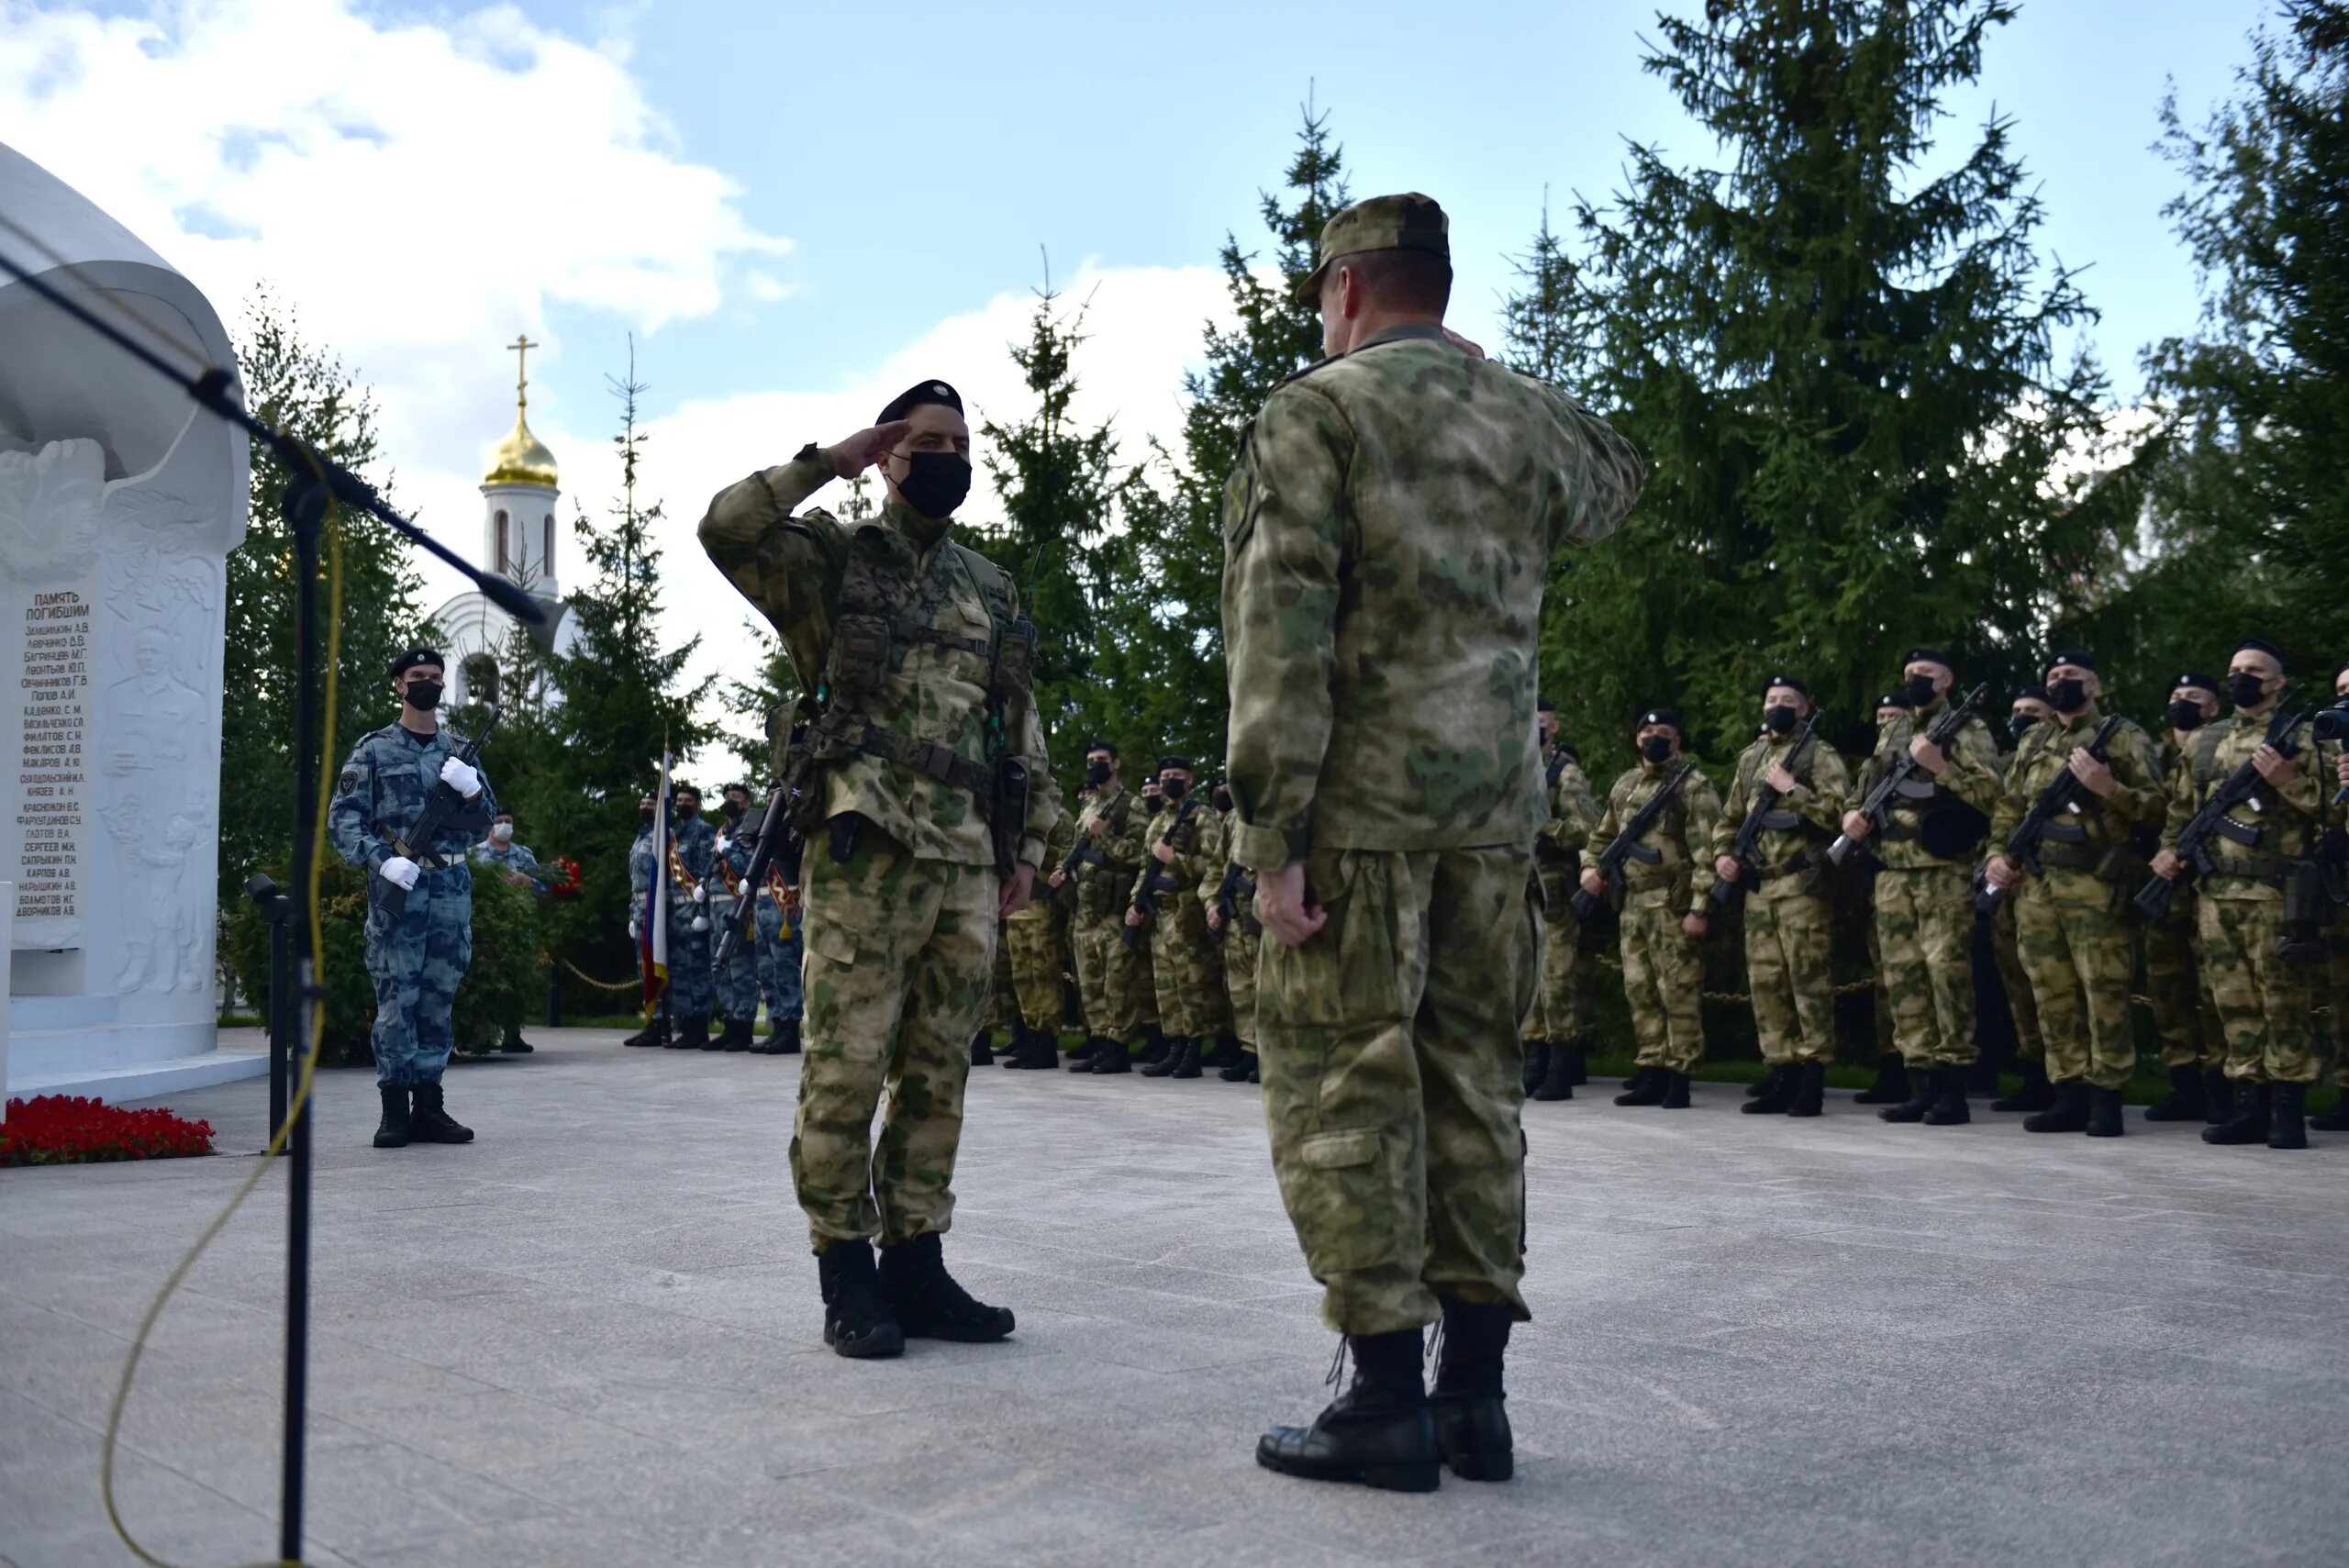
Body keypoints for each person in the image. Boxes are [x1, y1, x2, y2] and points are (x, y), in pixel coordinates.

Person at [1222, 193, 1643, 1492]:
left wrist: (1270, 833)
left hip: (1356, 819)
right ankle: (1476, 1402)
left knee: (1346, 1083)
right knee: (1475, 1089)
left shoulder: (1316, 410)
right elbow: (1620, 477)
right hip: (1492, 825)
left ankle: (1384, 1406)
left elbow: (1280, 632)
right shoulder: (1517, 421)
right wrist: (1499, 375)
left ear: (1347, 289)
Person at [699, 375, 1059, 1359]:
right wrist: (830, 461)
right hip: (868, 842)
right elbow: (725, 528)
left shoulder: (989, 584)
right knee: (845, 1067)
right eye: (922, 440)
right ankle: (845, 1271)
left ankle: (917, 1260)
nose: (943, 455)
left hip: (966, 860)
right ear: (892, 454)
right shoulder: (831, 560)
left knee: (938, 1072)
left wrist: (1024, 844)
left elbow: (1018, 724)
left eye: (957, 440)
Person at [2151, 639, 2324, 1150]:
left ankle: (2287, 1111)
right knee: (2233, 1003)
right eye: (2235, 669)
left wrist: (2289, 782)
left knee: (2283, 1002)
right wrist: (2168, 849)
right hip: (2216, 894)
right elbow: (2182, 810)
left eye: (2254, 670)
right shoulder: (2206, 740)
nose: (2241, 677)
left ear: (2278, 683)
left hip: (2278, 892)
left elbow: (2334, 815)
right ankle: (2250, 1105)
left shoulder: (2305, 737)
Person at [1985, 651, 2165, 1138]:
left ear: (2095, 683)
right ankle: (2069, 1092)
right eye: (2053, 677)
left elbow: (2159, 809)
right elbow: (2009, 805)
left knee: (2102, 990)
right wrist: (1997, 855)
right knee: (2051, 992)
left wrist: (2108, 789)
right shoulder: (2034, 739)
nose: (2060, 683)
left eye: (2071, 676)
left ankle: (2106, 1096)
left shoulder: (2124, 736)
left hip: (2095, 884)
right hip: (2038, 886)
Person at [328, 647, 493, 1149]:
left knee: (439, 997)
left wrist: (471, 792)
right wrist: (381, 859)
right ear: (398, 684)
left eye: (435, 677)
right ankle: (394, 1108)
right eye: (417, 676)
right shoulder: (374, 750)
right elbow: (344, 820)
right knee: (397, 998)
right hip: (398, 886)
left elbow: (486, 822)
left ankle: (431, 1105)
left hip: (449, 888)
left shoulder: (460, 750)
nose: (428, 683)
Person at [1841, 648, 2000, 1126]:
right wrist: (1851, 812)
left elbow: (1994, 795)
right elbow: (1865, 784)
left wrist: (1941, 767)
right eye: (1909, 674)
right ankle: (1919, 1081)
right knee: (1904, 979)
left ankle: (1953, 1086)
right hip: (1892, 872)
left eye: (1925, 674)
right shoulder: (1894, 730)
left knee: (1945, 974)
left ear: (1947, 680)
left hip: (1940, 871)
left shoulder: (1968, 730)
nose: (1915, 681)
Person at [1709, 675, 1850, 1117]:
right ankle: (1781, 1070)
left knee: (1807, 983)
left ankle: (1811, 1077)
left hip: (1800, 887)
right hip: (1759, 888)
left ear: (1804, 710)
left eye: (1788, 701)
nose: (1778, 707)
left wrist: (1793, 788)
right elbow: (1728, 819)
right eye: (1772, 700)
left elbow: (1839, 813)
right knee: (1766, 984)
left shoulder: (1818, 754)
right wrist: (1721, 857)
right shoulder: (1751, 758)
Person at [1581, 709, 1722, 1108]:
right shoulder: (1626, 785)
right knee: (1640, 990)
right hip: (1632, 904)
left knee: (1677, 991)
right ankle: (1651, 1068)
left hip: (1671, 904)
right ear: (1636, 738)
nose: (1653, 738)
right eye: (1647, 731)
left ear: (1677, 741)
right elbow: (1601, 836)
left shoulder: (1692, 787)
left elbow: (1706, 853)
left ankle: (1680, 1075)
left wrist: (1700, 908)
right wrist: (1590, 869)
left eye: (1663, 733)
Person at [2143, 673, 2227, 1123]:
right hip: (2160, 888)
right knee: (2167, 988)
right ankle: (2184, 1084)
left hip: (2210, 888)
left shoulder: (2224, 749)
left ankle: (2221, 1085)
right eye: (2175, 696)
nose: (2181, 703)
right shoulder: (2153, 756)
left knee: (2215, 990)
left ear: (2213, 708)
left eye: (2193, 698)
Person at [1128, 757, 1230, 1079]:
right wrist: (1135, 902)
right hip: (1159, 913)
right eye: (1165, 776)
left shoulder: (1201, 817)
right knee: (1166, 986)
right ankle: (1175, 1045)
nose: (1170, 781)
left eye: (1177, 776)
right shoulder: (1158, 821)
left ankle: (1193, 1050)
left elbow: (1217, 864)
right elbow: (1146, 867)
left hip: (1186, 914)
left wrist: (1176, 859)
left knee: (1191, 984)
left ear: (1190, 780)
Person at [1055, 741, 1153, 1073]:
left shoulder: (1131, 806)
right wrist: (1061, 867)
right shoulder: (1088, 806)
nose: (1095, 766)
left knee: (1117, 980)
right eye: (1091, 761)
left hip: (1113, 907)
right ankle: (1099, 1041)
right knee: (1090, 980)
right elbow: (1074, 848)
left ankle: (1118, 1046)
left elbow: (1140, 854)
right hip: (1086, 906)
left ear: (1116, 764)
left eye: (1101, 760)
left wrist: (1106, 835)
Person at [1524, 712, 1601, 1102]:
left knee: (1556, 977)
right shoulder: (1511, 767)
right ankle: (1533, 1058)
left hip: (1552, 888)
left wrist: (1545, 826)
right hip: (1517, 887)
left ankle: (1560, 1063)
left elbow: (1588, 828)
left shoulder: (1565, 774)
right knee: (1528, 978)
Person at [1987, 689, 2054, 1111]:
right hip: (2007, 886)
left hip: (2045, 886)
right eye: (2016, 711)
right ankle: (2033, 1074)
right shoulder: (2009, 763)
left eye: (2032, 711)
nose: (2022, 718)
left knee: (2051, 985)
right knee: (2017, 985)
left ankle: (2062, 1078)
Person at [1001, 806, 1076, 1069]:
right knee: (1023, 977)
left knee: (1043, 975)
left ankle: (1047, 1041)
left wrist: (1039, 856)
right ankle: (1031, 1036)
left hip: (1043, 903)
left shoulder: (1057, 815)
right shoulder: (1014, 811)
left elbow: (1068, 853)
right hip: (1018, 907)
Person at [1199, 781, 1263, 1083]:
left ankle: (1269, 1055)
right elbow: (1216, 866)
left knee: (1269, 992)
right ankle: (1250, 1052)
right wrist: (1212, 902)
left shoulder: (1281, 811)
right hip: (1236, 917)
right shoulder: (1235, 818)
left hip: (1266, 920)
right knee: (1241, 992)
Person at [472, 807, 546, 1054]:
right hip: (487, 927)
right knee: (485, 981)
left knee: (516, 981)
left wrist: (529, 881)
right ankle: (481, 1036)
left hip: (519, 928)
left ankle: (513, 1034)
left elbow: (544, 888)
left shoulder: (524, 855)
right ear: (491, 826)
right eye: (499, 821)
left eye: (508, 821)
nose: (504, 825)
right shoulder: (476, 854)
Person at [661, 782, 720, 1051]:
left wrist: (704, 912)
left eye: (687, 800)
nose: (682, 804)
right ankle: (685, 1026)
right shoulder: (672, 835)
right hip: (675, 913)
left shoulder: (705, 831)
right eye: (679, 800)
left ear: (696, 803)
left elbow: (709, 872)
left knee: (697, 971)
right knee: (680, 971)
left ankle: (699, 1027)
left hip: (694, 910)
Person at [708, 784, 763, 1051]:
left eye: (736, 797)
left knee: (740, 968)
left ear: (747, 802)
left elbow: (750, 866)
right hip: (716, 906)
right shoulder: (723, 830)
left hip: (738, 905)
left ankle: (744, 1028)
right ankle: (730, 1024)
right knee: (720, 970)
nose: (731, 801)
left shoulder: (751, 828)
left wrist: (728, 849)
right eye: (728, 796)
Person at [750, 838, 806, 1056]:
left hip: (783, 907)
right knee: (766, 971)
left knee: (784, 969)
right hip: (762, 905)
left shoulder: (793, 829)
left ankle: (790, 1031)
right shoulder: (763, 829)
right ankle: (778, 1026)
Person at [622, 794, 670, 1049]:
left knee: (656, 964)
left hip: (656, 906)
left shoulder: (665, 835)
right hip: (639, 907)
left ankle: (663, 1022)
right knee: (644, 968)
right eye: (641, 804)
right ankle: (651, 1021)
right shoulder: (641, 835)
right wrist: (632, 914)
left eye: (650, 805)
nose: (645, 808)